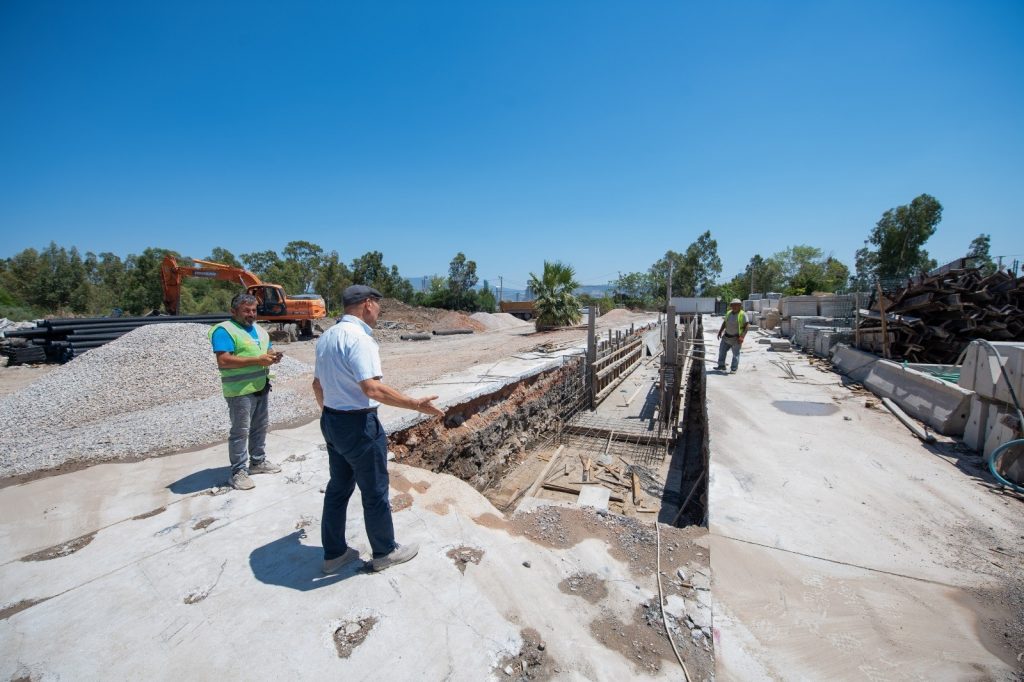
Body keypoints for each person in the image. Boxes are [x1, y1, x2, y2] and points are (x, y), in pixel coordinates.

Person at [313, 285, 444, 574]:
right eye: (378, 305)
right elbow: (371, 388)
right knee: (374, 491)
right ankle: (385, 552)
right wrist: (414, 403)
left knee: (338, 488)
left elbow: (317, 385)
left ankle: (334, 555)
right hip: (358, 425)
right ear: (368, 304)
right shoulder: (360, 339)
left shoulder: (326, 337)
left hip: (332, 421)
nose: (379, 311)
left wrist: (332, 415)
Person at [209, 293, 284, 490]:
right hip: (239, 390)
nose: (251, 314)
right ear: (233, 311)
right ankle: (238, 472)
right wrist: (258, 360)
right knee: (240, 432)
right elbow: (224, 360)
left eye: (254, 310)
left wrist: (273, 356)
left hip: (260, 386)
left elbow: (267, 350)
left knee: (260, 426)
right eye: (246, 310)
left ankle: (257, 462)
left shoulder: (259, 330)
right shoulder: (225, 330)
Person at [716, 298, 749, 373]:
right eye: (733, 305)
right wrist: (720, 331)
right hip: (726, 336)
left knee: (735, 354)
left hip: (736, 338)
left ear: (740, 306)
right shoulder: (729, 313)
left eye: (736, 305)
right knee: (722, 351)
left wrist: (742, 337)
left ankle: (734, 368)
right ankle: (721, 365)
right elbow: (725, 323)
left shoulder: (743, 314)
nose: (734, 307)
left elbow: (747, 326)